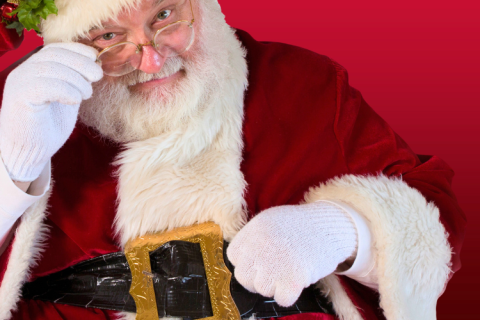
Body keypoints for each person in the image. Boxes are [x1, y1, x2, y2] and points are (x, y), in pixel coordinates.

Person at [0, 0, 466, 319]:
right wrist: (12, 172)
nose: (150, 59)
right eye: (108, 36)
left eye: (165, 14)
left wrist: (344, 232)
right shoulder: (25, 107)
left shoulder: (302, 85)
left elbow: (435, 214)